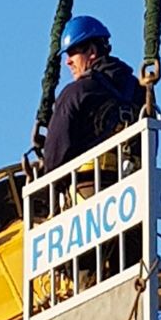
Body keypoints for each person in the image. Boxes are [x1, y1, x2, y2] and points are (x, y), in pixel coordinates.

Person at [42, 15, 146, 289]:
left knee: (87, 279)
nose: (68, 62)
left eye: (73, 53)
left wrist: (47, 198)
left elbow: (55, 151)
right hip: (133, 196)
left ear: (92, 51)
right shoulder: (138, 92)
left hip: (88, 195)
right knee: (131, 274)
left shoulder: (77, 92)